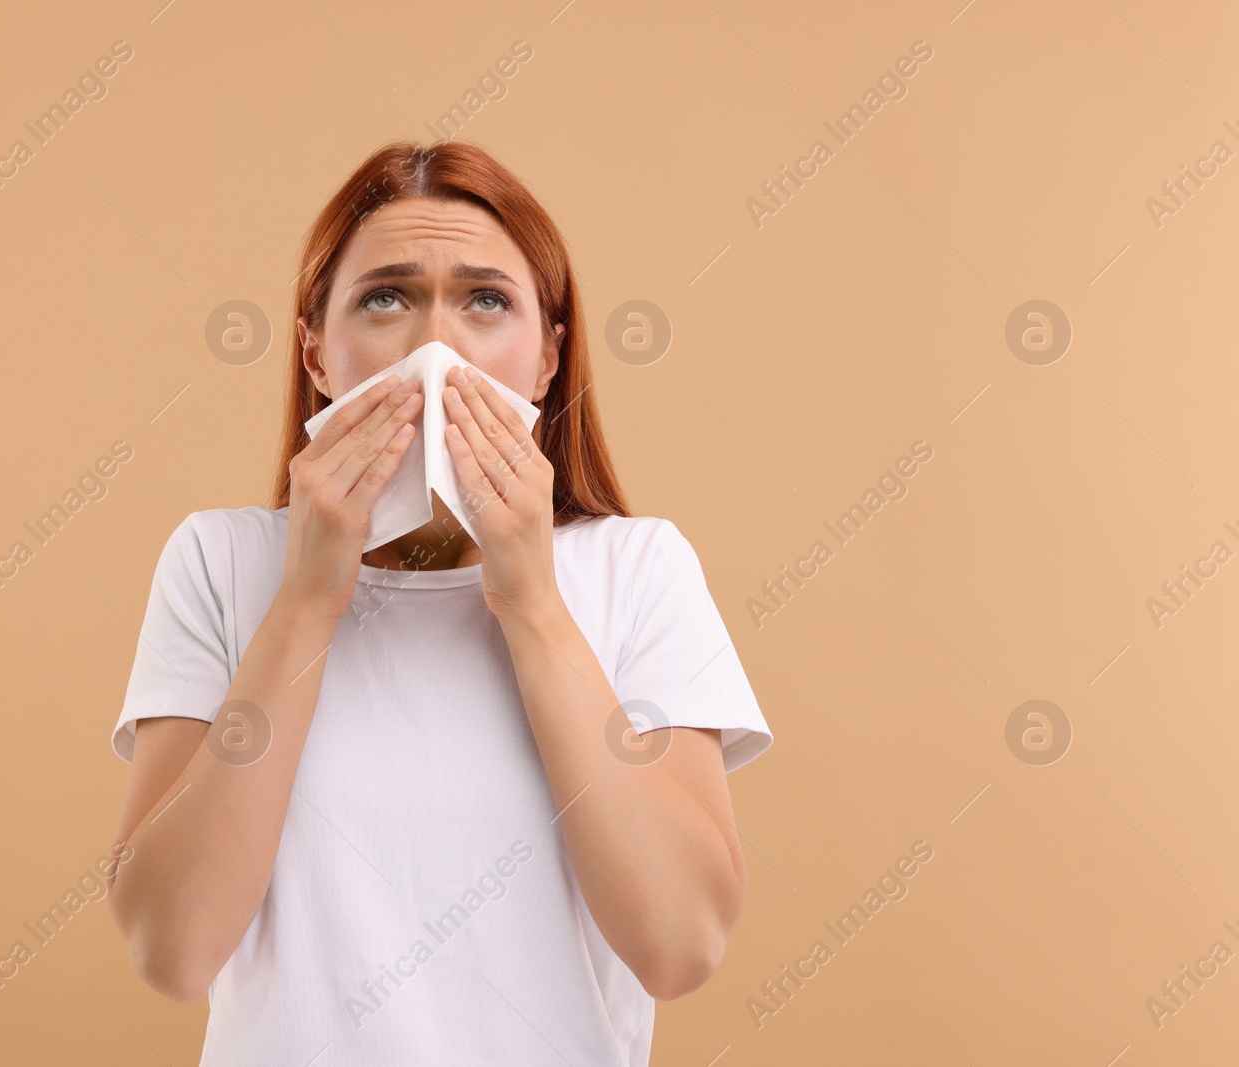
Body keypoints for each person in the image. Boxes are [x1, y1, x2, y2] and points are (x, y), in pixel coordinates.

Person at [105, 139, 773, 1066]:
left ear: (547, 357)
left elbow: (681, 943)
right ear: (317, 355)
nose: (432, 346)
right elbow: (173, 948)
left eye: (485, 299)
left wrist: (533, 601)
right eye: (385, 297)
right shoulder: (221, 562)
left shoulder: (638, 569)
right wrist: (304, 601)